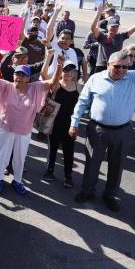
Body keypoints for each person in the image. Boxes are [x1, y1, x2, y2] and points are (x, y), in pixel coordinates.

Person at [70, 47, 135, 211]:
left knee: (117, 165)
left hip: (122, 131)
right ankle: (87, 191)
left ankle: (109, 195)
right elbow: (82, 101)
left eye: (125, 67)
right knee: (92, 162)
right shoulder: (96, 78)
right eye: (117, 66)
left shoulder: (134, 77)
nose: (121, 70)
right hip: (97, 129)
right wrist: (74, 122)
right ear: (108, 65)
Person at [0, 56, 63, 195]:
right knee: (2, 155)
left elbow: (53, 82)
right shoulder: (6, 85)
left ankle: (17, 181)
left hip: (24, 131)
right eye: (17, 74)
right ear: (13, 75)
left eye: (23, 75)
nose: (19, 77)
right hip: (5, 128)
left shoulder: (35, 87)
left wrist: (60, 65)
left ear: (28, 79)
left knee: (20, 157)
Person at [42, 59, 81, 188]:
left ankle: (68, 176)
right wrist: (57, 65)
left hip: (70, 124)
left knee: (69, 150)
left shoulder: (78, 87)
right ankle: (50, 171)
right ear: (61, 71)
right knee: (52, 148)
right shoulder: (56, 85)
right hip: (55, 122)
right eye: (66, 70)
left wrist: (76, 124)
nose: (69, 73)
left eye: (72, 70)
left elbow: (81, 107)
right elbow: (44, 76)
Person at [89, 1, 135, 73]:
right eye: (112, 26)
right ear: (107, 27)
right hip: (102, 66)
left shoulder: (121, 36)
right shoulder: (102, 36)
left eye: (116, 26)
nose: (114, 28)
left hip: (116, 66)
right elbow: (93, 28)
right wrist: (98, 13)